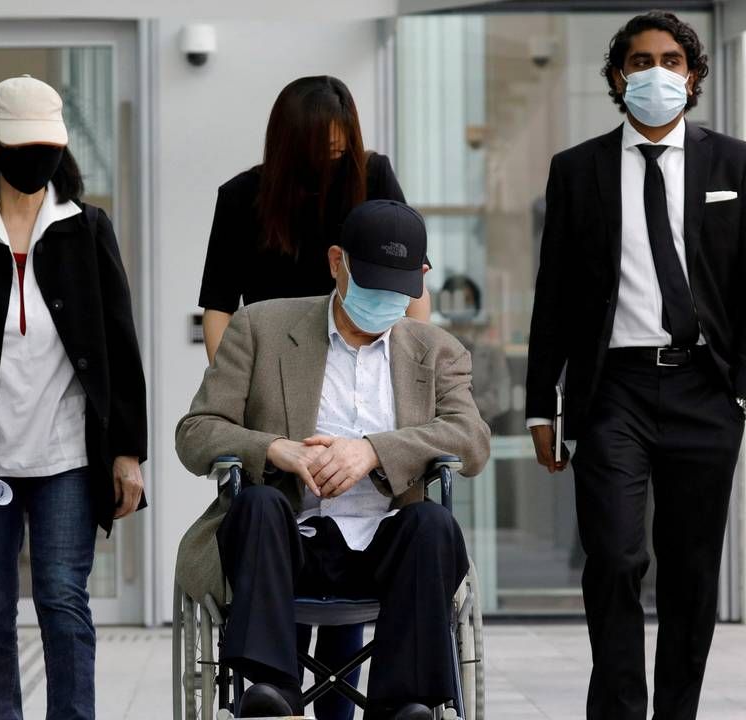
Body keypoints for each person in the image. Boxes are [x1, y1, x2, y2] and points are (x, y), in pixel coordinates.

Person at [176, 199, 490, 719]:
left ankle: (404, 704)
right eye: (371, 283)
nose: (384, 299)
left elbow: (470, 439)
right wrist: (275, 448)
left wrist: (373, 451)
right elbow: (196, 432)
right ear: (336, 262)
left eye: (398, 287)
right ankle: (271, 694)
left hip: (386, 548)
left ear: (423, 276)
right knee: (256, 506)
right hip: (285, 539)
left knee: (433, 524)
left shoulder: (437, 351)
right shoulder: (262, 328)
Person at [0, 75, 147, 720]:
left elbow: (119, 348)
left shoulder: (87, 230)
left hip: (67, 451)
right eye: (22, 144)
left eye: (48, 145)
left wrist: (128, 452)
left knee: (63, 598)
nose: (36, 159)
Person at [525, 12, 745, 720]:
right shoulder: (577, 169)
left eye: (672, 59)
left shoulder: (736, 165)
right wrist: (540, 404)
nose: (658, 71)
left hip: (706, 390)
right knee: (616, 560)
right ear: (618, 77)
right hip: (613, 389)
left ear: (695, 74)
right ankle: (619, 712)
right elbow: (552, 292)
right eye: (641, 60)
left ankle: (675, 713)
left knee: (689, 574)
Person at [197, 74, 424, 720]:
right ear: (288, 144)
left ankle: (337, 708)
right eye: (319, 145)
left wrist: (396, 381)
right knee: (279, 523)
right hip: (276, 391)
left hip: (363, 379)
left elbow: (411, 289)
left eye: (341, 142)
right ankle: (277, 693)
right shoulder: (243, 197)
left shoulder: (373, 179)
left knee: (354, 513)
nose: (333, 155)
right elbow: (219, 307)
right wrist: (240, 384)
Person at [437, 274, 510, 425]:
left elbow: (501, 397)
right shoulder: (434, 344)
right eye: (454, 301)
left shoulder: (491, 350)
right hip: (442, 430)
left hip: (484, 429)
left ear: (476, 305)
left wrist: (461, 407)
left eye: (466, 300)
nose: (460, 306)